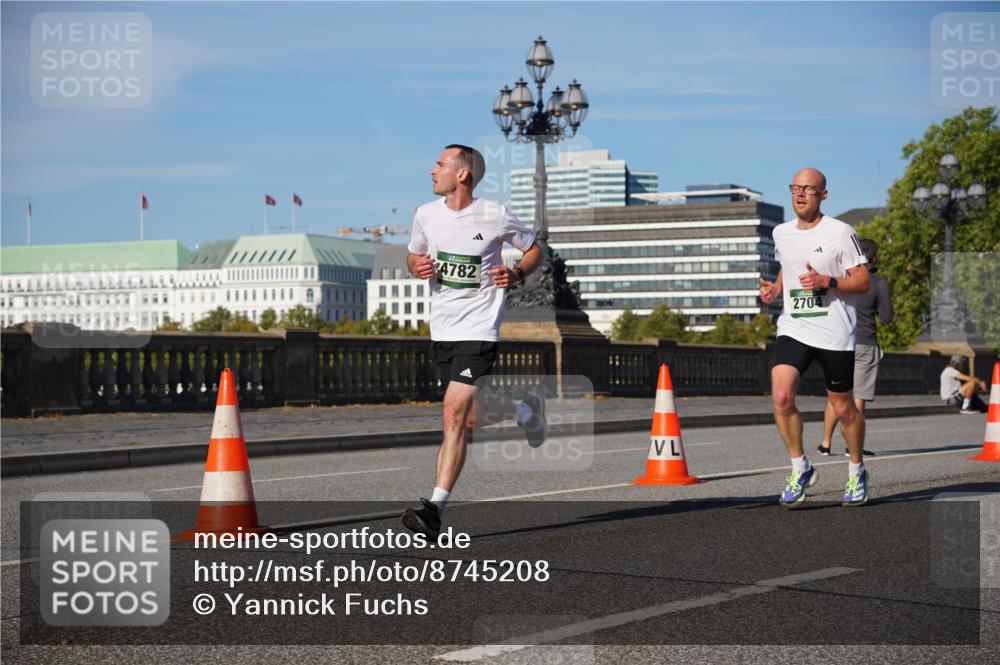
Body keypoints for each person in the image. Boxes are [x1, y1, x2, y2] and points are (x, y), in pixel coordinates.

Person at [401, 144, 545, 538]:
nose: (432, 171)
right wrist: (418, 266)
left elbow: (533, 249)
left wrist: (517, 274)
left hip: (479, 330)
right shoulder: (425, 215)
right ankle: (525, 410)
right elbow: (412, 257)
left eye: (439, 164)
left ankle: (434, 510)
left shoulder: (494, 214)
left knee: (452, 414)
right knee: (467, 416)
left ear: (462, 173)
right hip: (442, 330)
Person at [758, 167, 871, 508]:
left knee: (844, 408)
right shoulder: (781, 233)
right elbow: (789, 265)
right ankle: (800, 467)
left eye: (808, 189)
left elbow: (862, 281)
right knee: (781, 396)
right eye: (795, 188)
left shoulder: (841, 232)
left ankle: (856, 472)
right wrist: (777, 288)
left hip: (834, 332)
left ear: (823, 195)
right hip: (794, 326)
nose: (800, 194)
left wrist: (828, 282)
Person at [818, 238, 894, 456]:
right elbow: (887, 318)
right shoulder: (877, 283)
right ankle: (853, 447)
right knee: (858, 396)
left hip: (839, 342)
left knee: (836, 395)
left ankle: (825, 444)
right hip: (865, 342)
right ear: (874, 258)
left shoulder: (840, 280)